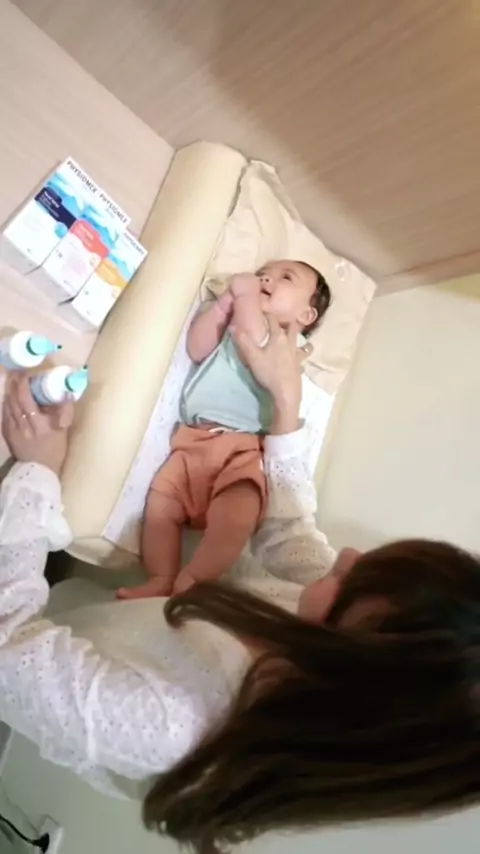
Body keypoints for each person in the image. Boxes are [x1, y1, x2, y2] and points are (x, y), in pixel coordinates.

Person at [0, 320, 479, 854]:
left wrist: (37, 473)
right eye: (367, 563)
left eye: (349, 584)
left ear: (342, 677)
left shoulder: (174, 725)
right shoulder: (311, 627)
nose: (345, 557)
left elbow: (7, 648)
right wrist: (285, 399)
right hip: (81, 616)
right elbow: (291, 529)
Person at [118, 259, 331, 600]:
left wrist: (245, 294)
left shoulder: (284, 346)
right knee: (161, 502)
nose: (267, 278)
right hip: (193, 442)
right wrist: (221, 308)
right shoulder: (238, 322)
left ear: (305, 316)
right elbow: (196, 348)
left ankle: (195, 579)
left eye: (285, 278)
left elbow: (253, 339)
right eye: (264, 273)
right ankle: (161, 575)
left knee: (238, 512)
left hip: (241, 451)